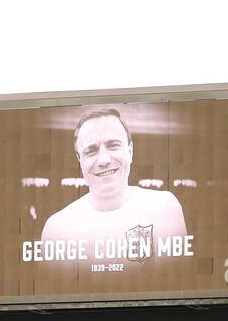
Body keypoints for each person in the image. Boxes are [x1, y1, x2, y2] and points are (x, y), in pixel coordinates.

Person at [40, 107, 187, 250]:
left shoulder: (164, 208)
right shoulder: (57, 228)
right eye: (91, 151)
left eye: (113, 146)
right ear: (80, 160)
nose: (104, 160)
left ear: (130, 151)